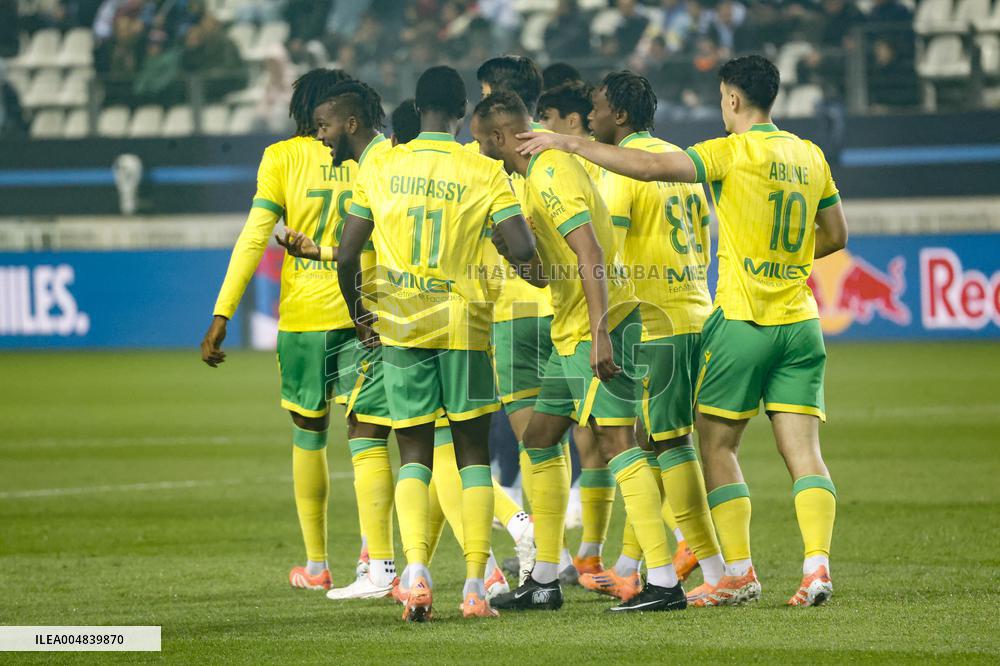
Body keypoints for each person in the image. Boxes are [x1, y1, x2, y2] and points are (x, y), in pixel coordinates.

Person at [516, 54, 848, 607]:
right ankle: (815, 566)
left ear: (733, 99)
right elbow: (835, 234)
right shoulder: (809, 154)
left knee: (693, 446)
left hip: (699, 320)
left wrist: (567, 145)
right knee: (797, 453)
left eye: (722, 97)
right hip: (789, 318)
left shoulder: (719, 153)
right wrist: (783, 260)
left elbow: (619, 224)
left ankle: (724, 570)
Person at [334, 65, 545, 622]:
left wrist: (360, 315)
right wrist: (514, 255)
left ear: (417, 106)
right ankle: (475, 585)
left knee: (414, 455)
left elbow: (347, 253)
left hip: (401, 327)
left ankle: (416, 575)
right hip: (466, 329)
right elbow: (524, 247)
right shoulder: (483, 169)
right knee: (472, 457)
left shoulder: (382, 165)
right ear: (460, 112)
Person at [475, 92, 687, 613]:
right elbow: (548, 275)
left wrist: (600, 333)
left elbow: (590, 251)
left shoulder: (549, 172)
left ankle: (664, 583)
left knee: (617, 442)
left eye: (481, 141)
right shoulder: (534, 178)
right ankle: (544, 579)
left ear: (499, 138)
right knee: (540, 439)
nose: (478, 151)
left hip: (601, 325)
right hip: (569, 329)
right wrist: (513, 256)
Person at [201, 68, 399, 597]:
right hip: (367, 312)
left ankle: (317, 564)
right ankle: (374, 553)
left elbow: (254, 237)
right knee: (370, 436)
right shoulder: (374, 153)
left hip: (305, 318)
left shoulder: (281, 158)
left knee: (309, 436)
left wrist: (223, 312)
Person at [581, 70, 728, 604]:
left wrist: (600, 327)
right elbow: (703, 242)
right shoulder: (680, 161)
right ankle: (644, 565)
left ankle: (712, 571)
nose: (590, 117)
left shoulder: (623, 170)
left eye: (596, 108)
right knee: (657, 440)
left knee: (665, 444)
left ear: (619, 116)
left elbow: (607, 255)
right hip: (695, 312)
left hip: (653, 320)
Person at [475, 55, 581, 584]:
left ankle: (548, 559)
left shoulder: (482, 156)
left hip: (513, 311)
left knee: (534, 446)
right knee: (582, 440)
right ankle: (578, 556)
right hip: (568, 308)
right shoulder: (561, 149)